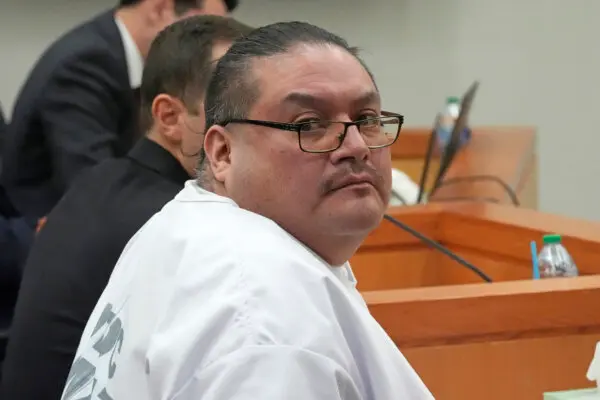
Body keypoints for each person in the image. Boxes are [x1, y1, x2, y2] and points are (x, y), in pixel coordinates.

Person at [61, 21, 433, 399]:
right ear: (223, 153)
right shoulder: (265, 314)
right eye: (309, 125)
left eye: (367, 120)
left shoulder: (185, 225)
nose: (355, 145)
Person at [0, 15, 253, 400]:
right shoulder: (179, 221)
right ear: (169, 116)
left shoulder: (99, 183)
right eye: (236, 105)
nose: (261, 126)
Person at [0, 0, 237, 223]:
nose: (212, 49)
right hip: (39, 236)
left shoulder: (114, 54)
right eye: (201, 32)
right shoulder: (86, 62)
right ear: (161, 8)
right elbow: (94, 184)